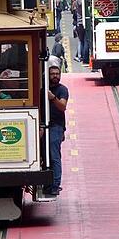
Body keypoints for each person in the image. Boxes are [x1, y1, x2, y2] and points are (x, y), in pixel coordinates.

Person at [44, 64, 69, 196]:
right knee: (44, 154)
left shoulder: (62, 90)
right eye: (52, 74)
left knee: (54, 156)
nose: (55, 76)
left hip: (56, 126)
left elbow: (62, 107)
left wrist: (53, 98)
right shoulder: (43, 88)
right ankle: (46, 184)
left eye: (57, 74)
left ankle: (55, 185)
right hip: (43, 126)